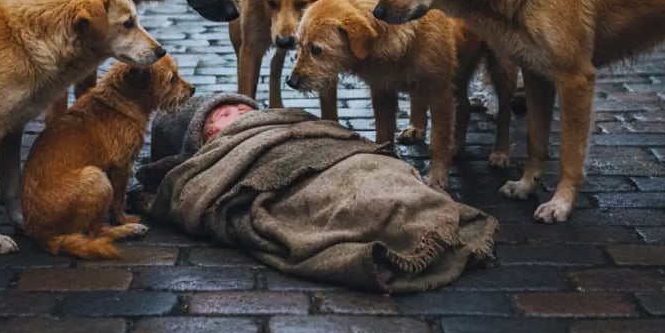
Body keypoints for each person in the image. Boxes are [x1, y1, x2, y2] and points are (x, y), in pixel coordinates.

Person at [134, 93, 497, 293]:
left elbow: (328, 135)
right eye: (224, 113)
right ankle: (399, 221)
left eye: (242, 106)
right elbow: (193, 191)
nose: (241, 111)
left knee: (372, 173)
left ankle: (420, 209)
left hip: (333, 154)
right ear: (205, 138)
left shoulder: (285, 121)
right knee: (337, 201)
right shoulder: (219, 156)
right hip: (285, 175)